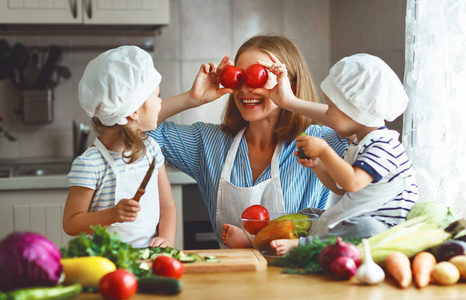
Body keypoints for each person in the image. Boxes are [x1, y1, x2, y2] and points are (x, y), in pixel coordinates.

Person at [149, 35, 348, 248]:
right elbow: (136, 127)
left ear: (290, 84)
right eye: (238, 77)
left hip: (299, 274)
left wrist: (291, 101)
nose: (245, 89)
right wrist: (191, 98)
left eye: (259, 78)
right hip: (233, 274)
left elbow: (353, 124)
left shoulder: (318, 141)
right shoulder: (208, 142)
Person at [259, 53, 418, 256]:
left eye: (331, 107)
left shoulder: (383, 146)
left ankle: (304, 244)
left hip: (380, 227)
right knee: (309, 214)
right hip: (353, 216)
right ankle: (259, 239)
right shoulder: (359, 143)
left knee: (367, 229)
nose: (327, 113)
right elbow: (341, 187)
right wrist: (317, 165)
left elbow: (353, 182)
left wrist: (325, 151)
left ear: (356, 111)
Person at [63, 46, 177, 248]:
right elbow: (71, 223)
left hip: (150, 258)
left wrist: (166, 240)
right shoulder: (90, 164)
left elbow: (167, 206)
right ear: (134, 111)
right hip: (107, 264)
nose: (160, 102)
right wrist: (112, 214)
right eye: (156, 96)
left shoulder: (151, 149)